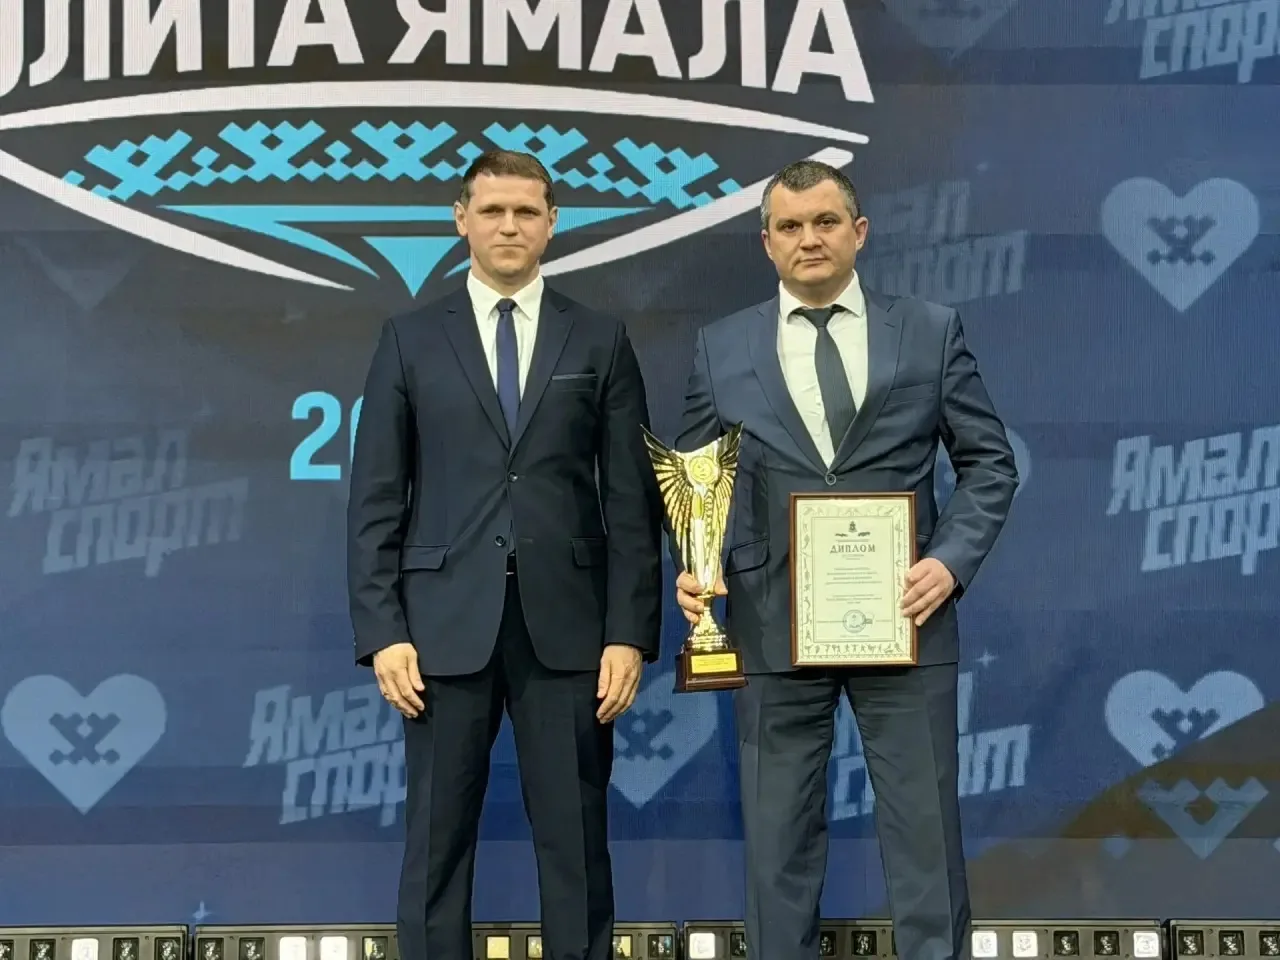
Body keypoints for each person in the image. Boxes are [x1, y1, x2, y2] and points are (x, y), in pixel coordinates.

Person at [672, 160, 1019, 960]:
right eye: (790, 227)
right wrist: (696, 561)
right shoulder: (720, 347)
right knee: (777, 844)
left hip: (906, 617)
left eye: (826, 222)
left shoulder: (930, 329)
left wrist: (949, 562)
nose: (809, 239)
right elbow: (695, 481)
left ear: (858, 232)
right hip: (770, 623)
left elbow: (990, 463)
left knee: (926, 839)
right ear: (767, 243)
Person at [347, 149, 664, 960]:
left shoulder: (600, 338)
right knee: (435, 846)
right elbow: (376, 496)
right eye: (492, 211)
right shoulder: (410, 339)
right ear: (461, 220)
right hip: (440, 633)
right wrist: (383, 631)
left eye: (526, 211)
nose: (510, 226)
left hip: (570, 632)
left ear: (553, 223)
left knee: (577, 846)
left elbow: (631, 501)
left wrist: (628, 632)